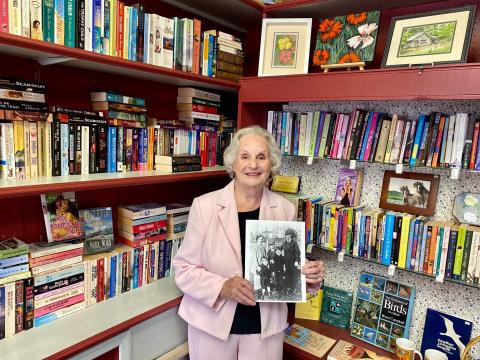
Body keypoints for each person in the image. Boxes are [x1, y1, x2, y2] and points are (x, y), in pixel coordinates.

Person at [173, 125, 326, 360]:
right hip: (211, 327)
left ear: (271, 165)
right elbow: (183, 271)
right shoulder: (204, 206)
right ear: (233, 163)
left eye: (261, 157)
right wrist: (222, 287)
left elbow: (285, 272)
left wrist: (309, 276)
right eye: (245, 156)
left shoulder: (285, 208)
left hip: (264, 329)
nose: (253, 165)